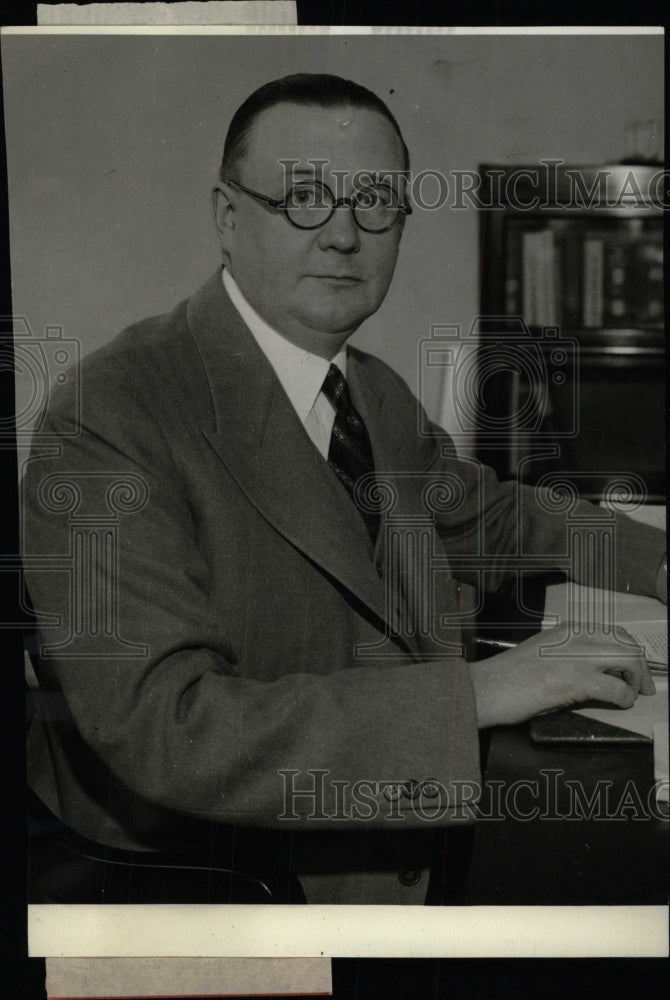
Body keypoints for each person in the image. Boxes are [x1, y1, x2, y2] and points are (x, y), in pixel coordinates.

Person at [22, 73, 666, 905]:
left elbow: (494, 515)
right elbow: (169, 730)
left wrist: (658, 562)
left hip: (405, 839)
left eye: (375, 203)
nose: (343, 235)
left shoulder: (372, 391)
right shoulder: (109, 415)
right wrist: (479, 691)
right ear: (226, 215)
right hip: (229, 888)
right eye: (304, 198)